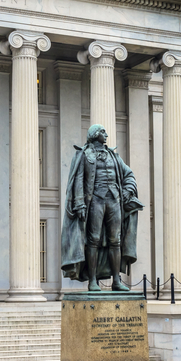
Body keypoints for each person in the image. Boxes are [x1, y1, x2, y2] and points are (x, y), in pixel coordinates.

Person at [61, 124, 143, 291]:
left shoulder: (114, 155)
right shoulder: (85, 154)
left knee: (116, 241)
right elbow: (78, 179)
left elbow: (128, 175)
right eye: (103, 132)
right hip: (95, 201)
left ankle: (117, 281)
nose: (106, 135)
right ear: (95, 134)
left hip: (114, 201)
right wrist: (79, 203)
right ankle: (92, 281)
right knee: (93, 241)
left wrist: (127, 191)